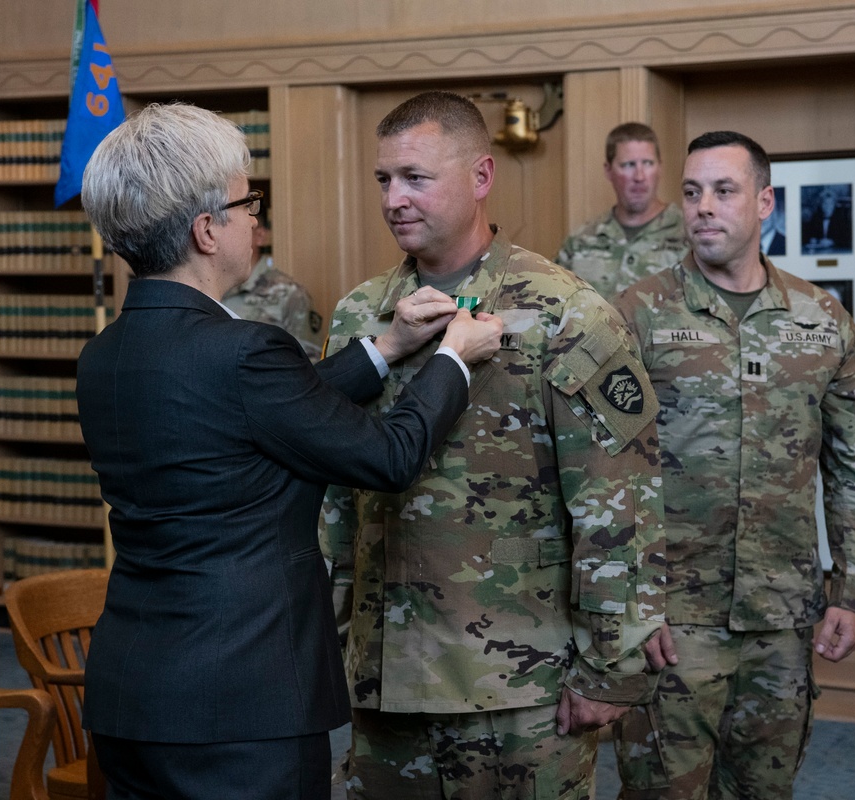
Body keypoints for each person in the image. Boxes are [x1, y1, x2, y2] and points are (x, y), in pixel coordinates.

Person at [75, 101, 503, 800]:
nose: (256, 219)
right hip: (242, 705)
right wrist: (453, 359)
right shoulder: (244, 352)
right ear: (206, 230)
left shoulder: (104, 355)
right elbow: (387, 459)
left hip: (132, 692)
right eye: (249, 202)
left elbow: (251, 422)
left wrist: (385, 348)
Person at [320, 90, 669, 799]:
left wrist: (612, 668)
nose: (394, 198)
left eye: (416, 177)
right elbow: (335, 498)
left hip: (520, 690)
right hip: (386, 676)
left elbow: (616, 501)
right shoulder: (363, 313)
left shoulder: (565, 312)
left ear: (480, 177)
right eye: (384, 179)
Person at [610, 130, 855, 800]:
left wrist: (854, 589)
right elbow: (600, 470)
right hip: (673, 619)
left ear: (765, 202)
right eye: (693, 191)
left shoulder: (820, 320)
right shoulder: (637, 315)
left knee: (764, 792)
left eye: (724, 190)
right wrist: (625, 605)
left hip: (781, 621)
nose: (703, 206)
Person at [556, 122, 686, 298]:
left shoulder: (688, 236)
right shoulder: (581, 241)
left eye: (647, 163)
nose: (639, 177)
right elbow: (553, 306)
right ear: (608, 171)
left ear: (660, 167)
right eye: (628, 165)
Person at [222, 210, 323, 360]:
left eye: (233, 227)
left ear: (260, 236)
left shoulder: (290, 293)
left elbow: (309, 366)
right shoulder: (213, 288)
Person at [801, 184, 853, 254]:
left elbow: (848, 240)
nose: (827, 207)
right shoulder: (816, 218)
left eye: (830, 204)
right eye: (825, 203)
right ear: (821, 205)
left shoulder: (842, 219)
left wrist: (832, 242)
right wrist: (813, 239)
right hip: (819, 253)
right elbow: (806, 235)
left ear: (834, 205)